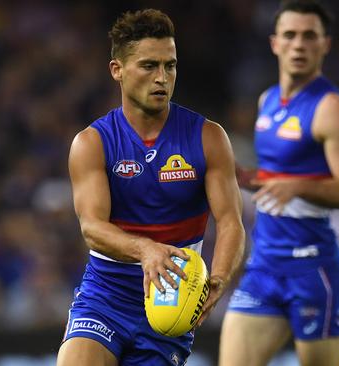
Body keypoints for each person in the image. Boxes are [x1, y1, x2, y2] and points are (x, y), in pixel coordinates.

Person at [57, 8, 245, 366]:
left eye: (169, 65)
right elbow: (92, 228)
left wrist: (217, 278)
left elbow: (231, 221)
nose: (162, 77)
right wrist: (145, 250)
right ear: (118, 70)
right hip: (106, 296)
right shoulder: (92, 143)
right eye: (148, 66)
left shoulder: (208, 138)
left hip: (169, 303)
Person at [219, 1, 339, 365]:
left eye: (309, 36)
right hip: (265, 265)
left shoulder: (331, 108)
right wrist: (247, 179)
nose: (298, 45)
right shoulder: (267, 101)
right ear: (274, 43)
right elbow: (278, 180)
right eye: (290, 35)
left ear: (325, 44)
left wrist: (296, 185)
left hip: (313, 269)